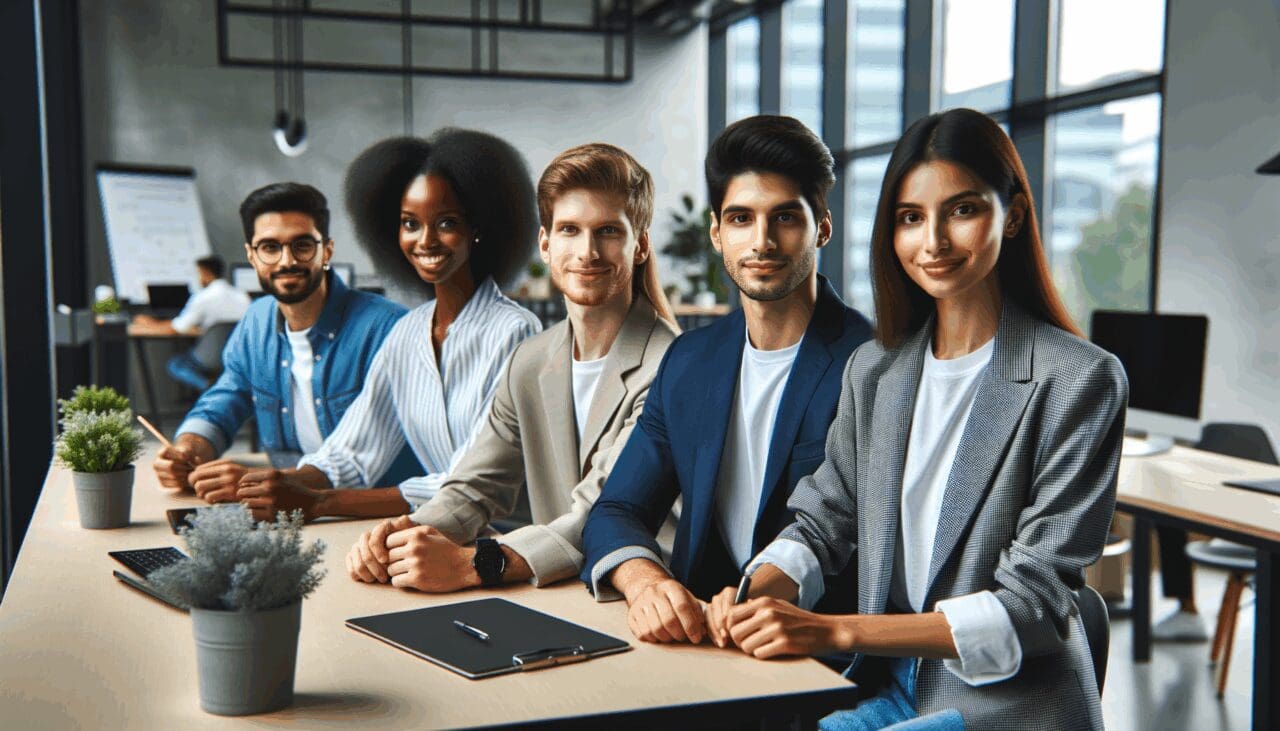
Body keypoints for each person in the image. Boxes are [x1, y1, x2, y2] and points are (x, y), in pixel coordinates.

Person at [704, 108, 1128, 730]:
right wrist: (755, 598)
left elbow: (1033, 603)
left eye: (962, 210)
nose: (933, 242)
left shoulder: (1079, 379)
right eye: (910, 218)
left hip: (1003, 707)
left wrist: (833, 630)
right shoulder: (876, 369)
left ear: (1012, 215)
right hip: (893, 686)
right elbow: (825, 520)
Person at [579, 115, 874, 643]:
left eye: (786, 217)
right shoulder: (689, 361)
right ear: (717, 233)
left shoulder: (874, 363)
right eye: (741, 218)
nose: (762, 241)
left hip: (820, 652)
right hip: (699, 641)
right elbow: (617, 510)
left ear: (822, 227)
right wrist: (647, 584)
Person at [345, 143, 683, 592]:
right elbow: (475, 486)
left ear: (639, 246)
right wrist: (404, 533)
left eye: (607, 231)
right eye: (569, 230)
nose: (587, 251)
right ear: (545, 244)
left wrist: (472, 564)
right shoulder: (530, 360)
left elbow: (599, 514)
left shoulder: (674, 365)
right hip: (556, 594)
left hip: (643, 597)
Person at [226, 129, 541, 523]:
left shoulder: (515, 332)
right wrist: (266, 484)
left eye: (446, 222)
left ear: (477, 227)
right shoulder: (408, 333)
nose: (425, 241)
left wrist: (317, 502)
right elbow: (352, 451)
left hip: (513, 537)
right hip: (442, 530)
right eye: (410, 223)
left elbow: (470, 482)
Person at [152, 183, 419, 492]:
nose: (286, 261)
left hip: (378, 508)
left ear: (327, 250)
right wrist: (189, 448)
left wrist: (274, 483)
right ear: (252, 256)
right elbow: (226, 398)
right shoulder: (256, 321)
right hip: (288, 506)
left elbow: (362, 456)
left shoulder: (389, 328)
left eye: (302, 246)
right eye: (269, 248)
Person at [132, 255, 250, 390]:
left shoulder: (204, 297)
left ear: (205, 272)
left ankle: (209, 387)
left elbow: (176, 328)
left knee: (177, 364)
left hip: (209, 359)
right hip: (237, 357)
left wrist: (150, 323)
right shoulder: (242, 296)